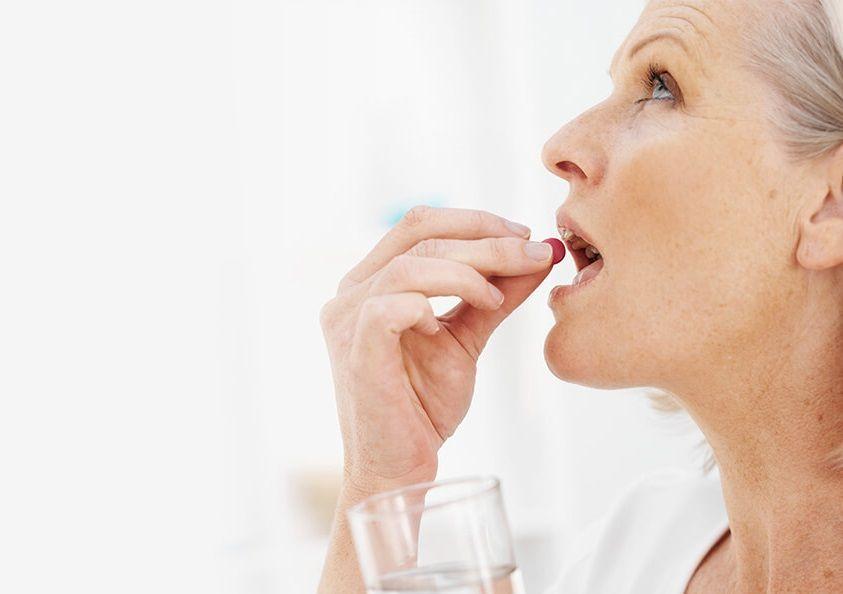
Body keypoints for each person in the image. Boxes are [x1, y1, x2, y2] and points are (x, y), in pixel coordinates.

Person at [317, 1, 843, 592]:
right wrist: (383, 482)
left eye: (661, 86)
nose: (558, 146)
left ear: (829, 204)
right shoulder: (629, 555)